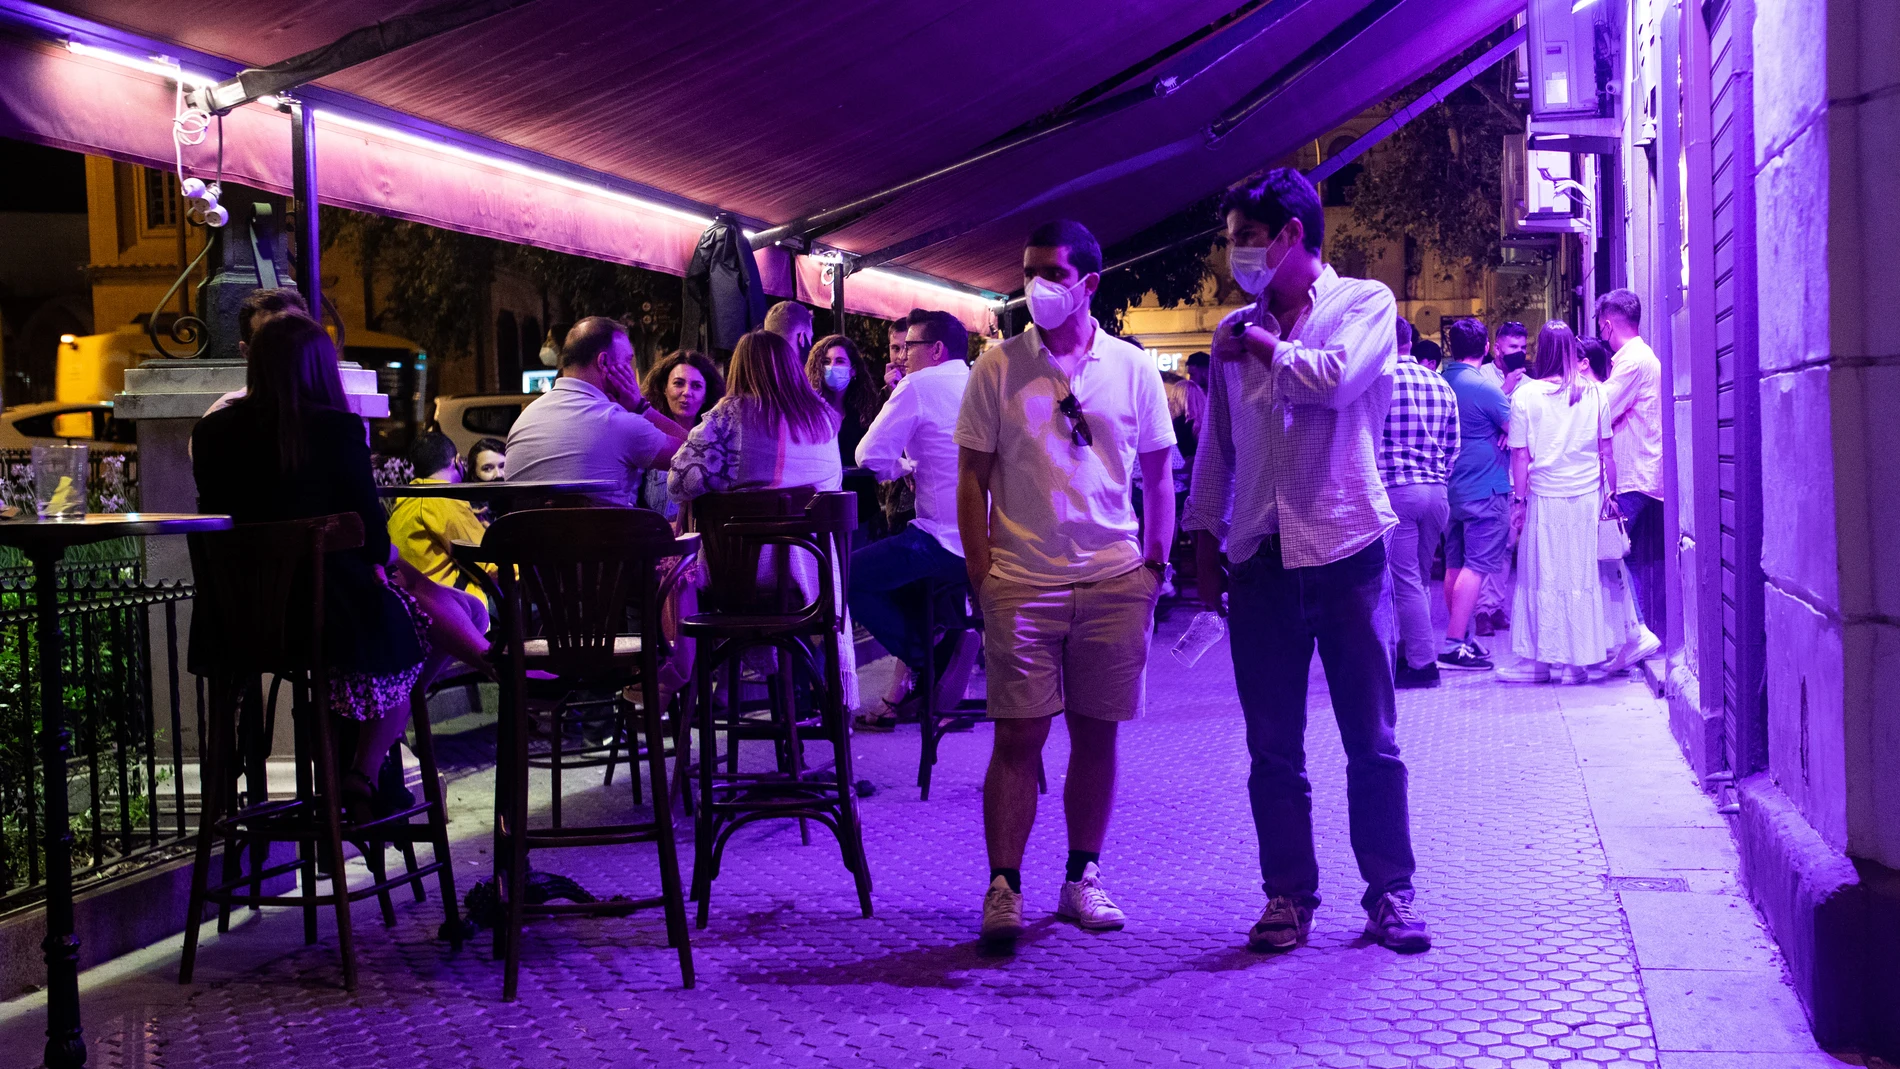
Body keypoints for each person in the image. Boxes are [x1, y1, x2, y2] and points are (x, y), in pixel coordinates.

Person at [1183, 168, 1428, 955]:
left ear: (1290, 235)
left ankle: (1390, 892)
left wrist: (1254, 340)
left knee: (1372, 739)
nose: (1236, 255)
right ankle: (1288, 896)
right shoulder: (1232, 334)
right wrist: (1202, 539)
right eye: (1232, 242)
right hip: (1259, 558)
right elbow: (1217, 450)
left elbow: (1330, 382)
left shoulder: (1364, 305)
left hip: (1348, 548)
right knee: (1272, 749)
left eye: (1245, 239)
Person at [957, 219, 1175, 942]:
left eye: (1051, 272)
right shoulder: (997, 365)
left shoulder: (1133, 368)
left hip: (1114, 576)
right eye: (1028, 272)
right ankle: (1003, 885)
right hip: (1021, 580)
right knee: (1017, 734)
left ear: (1089, 281)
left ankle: (1083, 874)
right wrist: (982, 571)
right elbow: (972, 476)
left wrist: (1155, 563)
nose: (1036, 287)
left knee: (1096, 733)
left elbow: (1156, 470)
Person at [192, 314, 491, 817]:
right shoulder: (336, 428)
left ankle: (472, 668)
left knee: (430, 598)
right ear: (320, 370)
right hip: (332, 619)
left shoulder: (213, 433)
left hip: (235, 621)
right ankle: (365, 763)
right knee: (416, 610)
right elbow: (374, 540)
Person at [670, 329, 856, 705]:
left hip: (739, 575)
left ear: (740, 368)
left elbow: (678, 482)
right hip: (815, 575)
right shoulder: (823, 418)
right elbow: (832, 483)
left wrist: (723, 483)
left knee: (674, 569)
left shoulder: (730, 414)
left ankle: (675, 682)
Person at [849, 310, 976, 731]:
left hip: (942, 543)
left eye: (910, 347)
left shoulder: (918, 385)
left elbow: (868, 456)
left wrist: (903, 467)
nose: (902, 357)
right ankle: (945, 639)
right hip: (988, 546)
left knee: (845, 576)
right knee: (898, 562)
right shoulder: (982, 383)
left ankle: (930, 655)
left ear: (935, 349)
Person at [1500, 321, 1617, 684]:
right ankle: (1576, 664)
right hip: (1586, 498)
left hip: (1544, 499)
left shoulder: (1525, 396)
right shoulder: (1596, 394)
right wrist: (1612, 495)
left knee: (1542, 577)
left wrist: (1518, 502)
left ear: (1541, 350)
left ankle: (1539, 662)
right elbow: (1607, 451)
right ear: (1572, 350)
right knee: (1580, 577)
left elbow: (1520, 455)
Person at [503, 316, 689, 505]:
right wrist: (640, 407)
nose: (631, 372)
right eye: (627, 361)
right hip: (607, 534)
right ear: (604, 362)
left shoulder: (522, 422)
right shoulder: (617, 423)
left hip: (527, 534)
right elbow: (698, 456)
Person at [1382, 315, 1459, 689]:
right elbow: (1453, 446)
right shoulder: (1440, 384)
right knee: (1419, 577)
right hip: (1436, 492)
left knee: (1405, 580)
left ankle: (1421, 664)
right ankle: (1409, 649)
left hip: (1397, 492)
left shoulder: (1378, 384)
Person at [1596, 289, 1665, 662]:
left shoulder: (1632, 360)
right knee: (1626, 557)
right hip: (1638, 472)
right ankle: (1633, 637)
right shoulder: (1638, 357)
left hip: (1634, 474)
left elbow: (1601, 407)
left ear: (1608, 324)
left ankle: (1636, 634)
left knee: (1612, 556)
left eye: (1600, 327)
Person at [1437, 318, 1509, 672]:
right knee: (1477, 567)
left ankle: (1463, 638)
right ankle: (1453, 644)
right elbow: (1519, 431)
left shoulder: (1440, 381)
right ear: (1485, 348)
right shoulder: (1484, 388)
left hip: (1450, 489)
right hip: (1485, 487)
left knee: (1454, 564)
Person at [387, 430, 492, 602]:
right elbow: (486, 564)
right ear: (457, 461)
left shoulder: (408, 499)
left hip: (417, 601)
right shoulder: (443, 498)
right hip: (454, 604)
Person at [1472, 320, 1529, 635]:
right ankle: (1480, 609)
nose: (1519, 354)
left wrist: (1514, 430)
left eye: (1523, 348)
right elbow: (1477, 418)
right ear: (1496, 348)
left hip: (1512, 477)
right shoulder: (1481, 379)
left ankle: (1491, 607)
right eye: (1512, 348)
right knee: (1484, 545)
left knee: (1506, 544)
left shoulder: (1531, 384)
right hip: (1483, 475)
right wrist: (1504, 392)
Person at [635, 349, 725, 521]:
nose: (687, 392)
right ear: (664, 389)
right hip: (658, 538)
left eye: (696, 386)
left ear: (706, 394)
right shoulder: (645, 434)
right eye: (678, 383)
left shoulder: (717, 438)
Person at [201, 287, 312, 419]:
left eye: (295, 333)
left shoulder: (334, 413)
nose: (287, 348)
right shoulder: (221, 419)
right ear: (246, 352)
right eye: (270, 339)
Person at [807, 334, 879, 469]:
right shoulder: (811, 410)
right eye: (826, 362)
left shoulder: (865, 411)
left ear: (853, 371)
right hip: (823, 488)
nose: (832, 367)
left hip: (859, 488)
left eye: (839, 361)